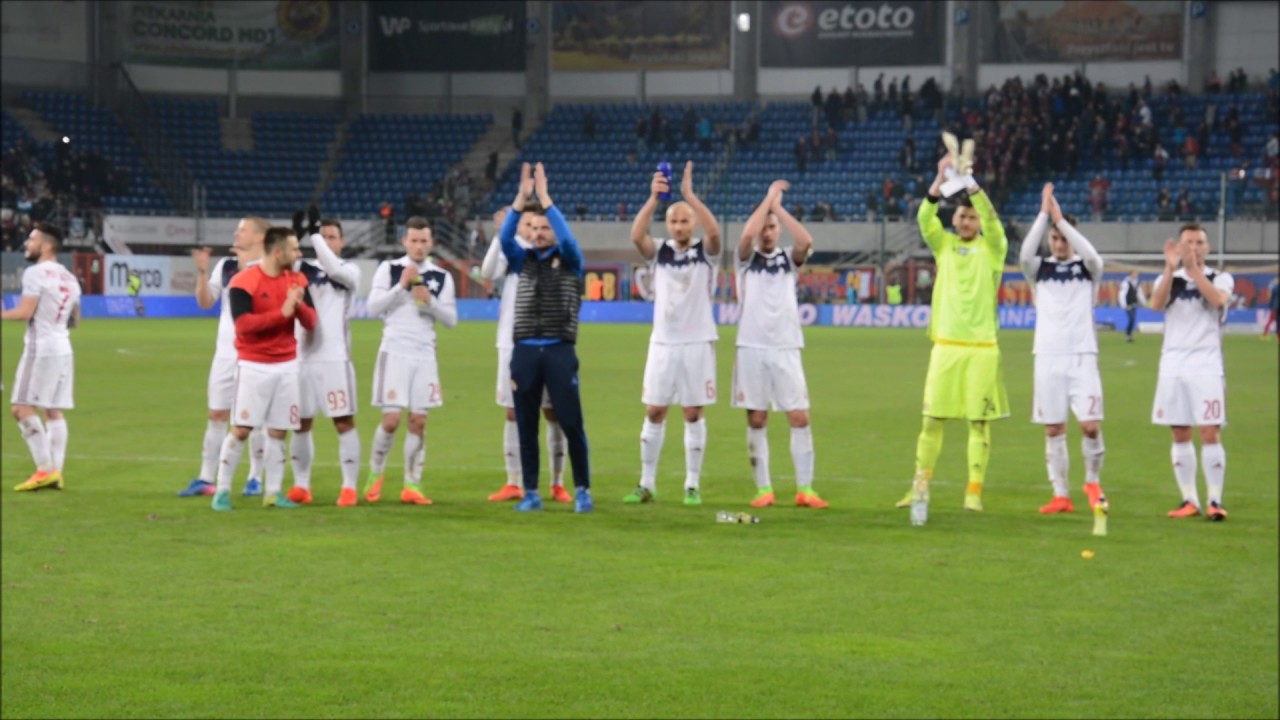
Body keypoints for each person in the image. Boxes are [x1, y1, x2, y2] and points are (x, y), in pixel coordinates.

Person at [895, 153, 1010, 526]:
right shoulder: (943, 245)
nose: (966, 221)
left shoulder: (993, 249)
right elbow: (924, 218)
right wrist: (940, 178)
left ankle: (973, 491)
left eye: (971, 216)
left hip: (981, 349)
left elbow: (992, 220)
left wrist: (970, 183)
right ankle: (920, 486)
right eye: (961, 216)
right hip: (945, 345)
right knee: (932, 421)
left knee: (979, 423)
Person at [496, 163, 592, 513]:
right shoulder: (521, 260)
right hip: (524, 351)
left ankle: (582, 488)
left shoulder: (570, 259)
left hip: (559, 350)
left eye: (544, 227)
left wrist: (546, 198)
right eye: (533, 227)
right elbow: (506, 238)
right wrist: (521, 199)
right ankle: (531, 491)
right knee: (526, 424)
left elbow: (567, 239)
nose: (538, 233)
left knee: (570, 421)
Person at [626, 161, 722, 506]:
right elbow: (637, 236)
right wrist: (654, 199)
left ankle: (692, 484)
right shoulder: (661, 252)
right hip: (663, 343)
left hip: (697, 342)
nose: (679, 226)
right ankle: (646, 483)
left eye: (684, 221)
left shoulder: (705, 254)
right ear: (667, 225)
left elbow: (715, 235)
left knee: (693, 413)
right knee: (654, 410)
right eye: (674, 221)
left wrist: (690, 197)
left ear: (691, 223)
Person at [733, 180, 829, 510]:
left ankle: (805, 489)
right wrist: (767, 200)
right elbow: (746, 237)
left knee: (799, 417)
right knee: (757, 419)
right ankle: (764, 489)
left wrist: (778, 209)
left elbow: (805, 240)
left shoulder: (789, 258)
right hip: (751, 348)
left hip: (787, 347)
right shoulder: (745, 260)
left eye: (772, 227)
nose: (767, 233)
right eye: (764, 227)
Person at [210, 227, 316, 510]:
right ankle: (222, 491)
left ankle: (272, 492)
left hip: (287, 366)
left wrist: (299, 307)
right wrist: (281, 313)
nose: (299, 254)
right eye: (294, 249)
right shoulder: (244, 281)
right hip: (254, 366)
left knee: (278, 432)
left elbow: (311, 321)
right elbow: (243, 325)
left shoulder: (296, 279)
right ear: (278, 251)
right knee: (242, 429)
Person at [1019, 184, 1108, 515]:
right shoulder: (1038, 270)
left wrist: (1062, 221)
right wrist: (1044, 215)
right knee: (1054, 428)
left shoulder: (1088, 270)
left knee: (1090, 425)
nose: (1058, 243)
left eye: (1063, 238)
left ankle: (1092, 481)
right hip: (1047, 357)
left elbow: (1095, 257)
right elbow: (1024, 255)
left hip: (1083, 356)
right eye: (1054, 238)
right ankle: (1061, 494)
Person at [363, 217, 458, 505]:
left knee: (418, 421)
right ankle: (375, 473)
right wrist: (401, 287)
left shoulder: (442, 277)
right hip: (394, 352)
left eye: (423, 241)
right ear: (404, 241)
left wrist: (430, 302)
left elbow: (451, 320)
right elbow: (372, 309)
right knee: (391, 421)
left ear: (431, 243)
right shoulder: (389, 269)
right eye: (413, 240)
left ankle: (412, 484)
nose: (418, 246)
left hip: (424, 354)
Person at [479, 206, 571, 504]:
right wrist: (499, 234)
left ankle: (557, 483)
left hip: (549, 342)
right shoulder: (513, 251)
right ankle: (513, 482)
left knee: (553, 412)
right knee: (512, 410)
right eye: (527, 225)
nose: (534, 231)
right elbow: (487, 272)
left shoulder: (556, 254)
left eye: (538, 225)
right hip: (512, 342)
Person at [179, 218, 268, 498]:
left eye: (242, 230)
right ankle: (206, 478)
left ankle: (255, 477)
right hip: (225, 353)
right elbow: (206, 302)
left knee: (254, 418)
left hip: (255, 353)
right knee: (216, 414)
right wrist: (203, 272)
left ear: (258, 237)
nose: (235, 233)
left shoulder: (268, 269)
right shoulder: (226, 266)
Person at [1149, 224, 1232, 521]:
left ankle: (1214, 500)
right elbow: (1155, 304)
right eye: (1188, 242)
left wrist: (1194, 270)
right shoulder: (1168, 279)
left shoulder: (1220, 278)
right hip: (1172, 365)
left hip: (1207, 365)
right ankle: (1189, 500)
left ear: (1207, 248)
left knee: (1209, 431)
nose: (1194, 247)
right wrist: (1171, 270)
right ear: (1179, 246)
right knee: (1180, 431)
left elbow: (1218, 300)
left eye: (1199, 242)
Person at [284, 209, 362, 507]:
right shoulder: (300, 268)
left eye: (332, 237)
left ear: (341, 242)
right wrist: (295, 236)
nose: (327, 241)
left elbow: (333, 268)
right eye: (323, 235)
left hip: (334, 358)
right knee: (301, 424)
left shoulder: (349, 270)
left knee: (343, 421)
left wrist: (314, 235)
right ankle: (301, 486)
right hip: (301, 357)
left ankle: (349, 487)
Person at [6, 224, 80, 491]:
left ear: (47, 246)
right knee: (52, 410)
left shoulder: (35, 273)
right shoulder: (69, 277)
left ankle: (45, 469)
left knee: (20, 407)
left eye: (32, 239)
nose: (27, 242)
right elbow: (75, 318)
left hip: (41, 349)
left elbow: (25, 312)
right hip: (63, 347)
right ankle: (55, 473)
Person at [1119, 269, 1146, 342]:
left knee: (1133, 319)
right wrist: (1123, 304)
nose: (1136, 275)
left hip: (1134, 303)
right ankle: (1128, 334)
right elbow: (1122, 294)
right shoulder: (1126, 283)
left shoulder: (1137, 282)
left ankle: (1129, 335)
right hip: (1127, 304)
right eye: (1135, 274)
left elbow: (1139, 293)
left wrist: (1143, 302)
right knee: (1131, 318)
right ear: (1130, 274)